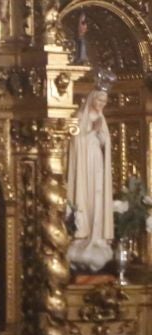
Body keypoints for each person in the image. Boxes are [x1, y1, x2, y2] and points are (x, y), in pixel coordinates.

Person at [68, 86, 114, 273]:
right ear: (92, 99)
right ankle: (82, 235)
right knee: (85, 196)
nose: (101, 105)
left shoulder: (102, 118)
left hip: (97, 162)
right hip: (84, 163)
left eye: (104, 103)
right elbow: (75, 142)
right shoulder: (80, 116)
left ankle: (97, 238)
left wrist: (100, 134)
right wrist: (90, 133)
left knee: (98, 196)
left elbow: (106, 142)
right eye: (98, 101)